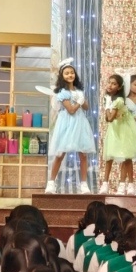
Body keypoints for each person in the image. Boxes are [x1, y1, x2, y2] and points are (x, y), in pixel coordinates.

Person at [45, 58, 96, 194]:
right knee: (60, 154)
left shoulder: (79, 90)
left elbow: (86, 107)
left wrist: (82, 100)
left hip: (80, 123)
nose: (70, 75)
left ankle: (84, 184)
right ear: (62, 76)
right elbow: (71, 110)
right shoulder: (62, 92)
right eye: (67, 73)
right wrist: (79, 102)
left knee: (83, 154)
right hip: (67, 123)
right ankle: (51, 183)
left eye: (72, 72)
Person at [100, 74, 136, 195]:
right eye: (109, 82)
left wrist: (107, 107)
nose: (110, 85)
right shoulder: (108, 98)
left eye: (114, 83)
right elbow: (108, 119)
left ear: (119, 87)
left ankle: (130, 185)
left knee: (127, 156)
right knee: (109, 156)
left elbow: (110, 118)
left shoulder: (119, 100)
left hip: (125, 128)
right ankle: (105, 184)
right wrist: (107, 105)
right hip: (114, 129)